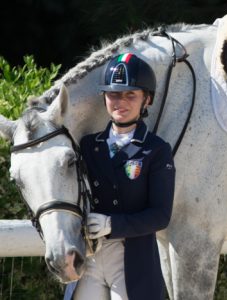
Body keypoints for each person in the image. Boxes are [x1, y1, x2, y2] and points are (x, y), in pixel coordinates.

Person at [65, 53, 175, 300]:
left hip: (131, 259)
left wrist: (112, 224)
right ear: (104, 97)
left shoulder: (156, 150)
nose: (120, 102)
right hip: (91, 257)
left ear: (146, 99)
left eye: (130, 95)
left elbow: (160, 215)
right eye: (114, 94)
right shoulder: (88, 145)